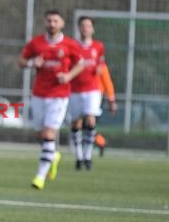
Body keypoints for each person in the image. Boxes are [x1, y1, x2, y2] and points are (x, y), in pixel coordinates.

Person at [18, 10, 83, 190]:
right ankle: (53, 156)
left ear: (62, 23)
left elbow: (81, 63)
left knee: (48, 134)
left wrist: (69, 75)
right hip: (39, 94)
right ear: (45, 23)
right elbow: (21, 61)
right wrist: (32, 63)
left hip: (59, 96)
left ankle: (40, 177)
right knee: (40, 135)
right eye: (49, 20)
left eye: (56, 21)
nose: (52, 24)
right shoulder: (36, 43)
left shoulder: (70, 44)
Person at [69, 17, 116, 170]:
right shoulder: (72, 46)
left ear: (92, 29)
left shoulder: (98, 47)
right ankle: (79, 156)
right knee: (76, 123)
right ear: (78, 28)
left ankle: (88, 156)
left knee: (90, 120)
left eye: (88, 26)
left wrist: (111, 97)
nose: (85, 29)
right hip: (75, 89)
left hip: (93, 90)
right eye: (82, 26)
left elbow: (103, 71)